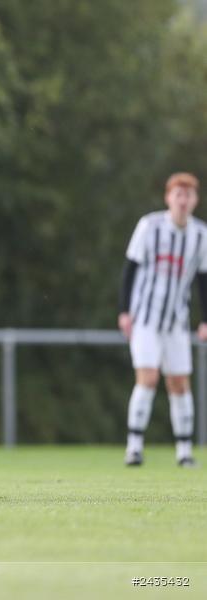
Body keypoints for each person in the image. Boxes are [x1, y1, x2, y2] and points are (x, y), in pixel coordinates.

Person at [119, 172, 207, 468]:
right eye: (178, 194)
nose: (183, 201)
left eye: (188, 195)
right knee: (148, 378)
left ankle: (184, 451)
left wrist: (205, 319)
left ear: (195, 200)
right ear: (168, 197)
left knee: (180, 383)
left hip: (176, 321)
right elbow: (129, 268)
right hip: (145, 318)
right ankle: (134, 447)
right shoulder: (150, 226)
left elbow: (203, 280)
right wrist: (124, 311)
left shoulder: (200, 234)